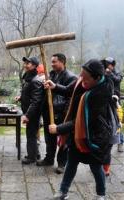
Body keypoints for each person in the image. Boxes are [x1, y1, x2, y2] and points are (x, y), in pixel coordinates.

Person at [48, 59, 113, 200]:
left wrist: (58, 128)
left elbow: (82, 121)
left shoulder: (101, 94)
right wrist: (54, 86)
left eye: (85, 77)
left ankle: (101, 194)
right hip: (77, 135)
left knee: (96, 167)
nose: (81, 79)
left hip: (94, 136)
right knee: (71, 162)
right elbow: (68, 90)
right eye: (81, 74)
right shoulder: (82, 81)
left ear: (97, 78)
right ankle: (63, 192)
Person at [37, 53, 77, 175]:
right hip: (49, 111)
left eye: (54, 62)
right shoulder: (52, 74)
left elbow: (69, 94)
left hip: (62, 113)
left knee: (63, 139)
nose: (52, 64)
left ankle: (61, 163)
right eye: (51, 62)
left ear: (62, 62)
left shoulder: (71, 77)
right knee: (49, 137)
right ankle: (49, 159)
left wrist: (54, 87)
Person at [16, 56, 44, 165]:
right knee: (32, 133)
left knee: (31, 135)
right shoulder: (28, 78)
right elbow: (28, 94)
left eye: (28, 63)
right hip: (29, 111)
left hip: (33, 113)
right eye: (25, 63)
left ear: (34, 66)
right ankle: (36, 154)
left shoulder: (35, 80)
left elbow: (36, 101)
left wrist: (27, 115)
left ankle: (31, 157)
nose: (26, 65)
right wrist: (21, 97)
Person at [101, 57, 124, 152]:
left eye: (108, 64)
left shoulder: (117, 72)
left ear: (112, 65)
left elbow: (117, 80)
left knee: (117, 122)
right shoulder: (103, 71)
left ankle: (120, 142)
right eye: (105, 64)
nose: (107, 66)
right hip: (105, 100)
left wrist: (109, 73)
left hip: (115, 101)